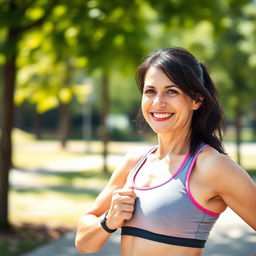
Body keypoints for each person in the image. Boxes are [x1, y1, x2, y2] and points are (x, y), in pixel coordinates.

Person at [75, 48, 256, 256]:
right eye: (150, 91)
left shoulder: (211, 166)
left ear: (196, 100)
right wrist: (109, 220)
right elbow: (83, 244)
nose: (158, 102)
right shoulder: (134, 162)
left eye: (172, 91)